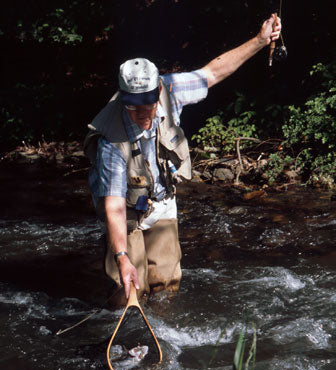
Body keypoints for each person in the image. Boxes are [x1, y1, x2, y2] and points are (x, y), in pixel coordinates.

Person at [84, 14, 281, 307]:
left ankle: (166, 337)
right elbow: (112, 206)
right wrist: (122, 258)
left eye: (147, 103)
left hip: (162, 202)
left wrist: (259, 40)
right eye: (133, 106)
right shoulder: (109, 140)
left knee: (165, 286)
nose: (143, 114)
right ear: (123, 98)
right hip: (126, 211)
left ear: (158, 91)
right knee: (126, 289)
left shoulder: (170, 90)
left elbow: (213, 73)